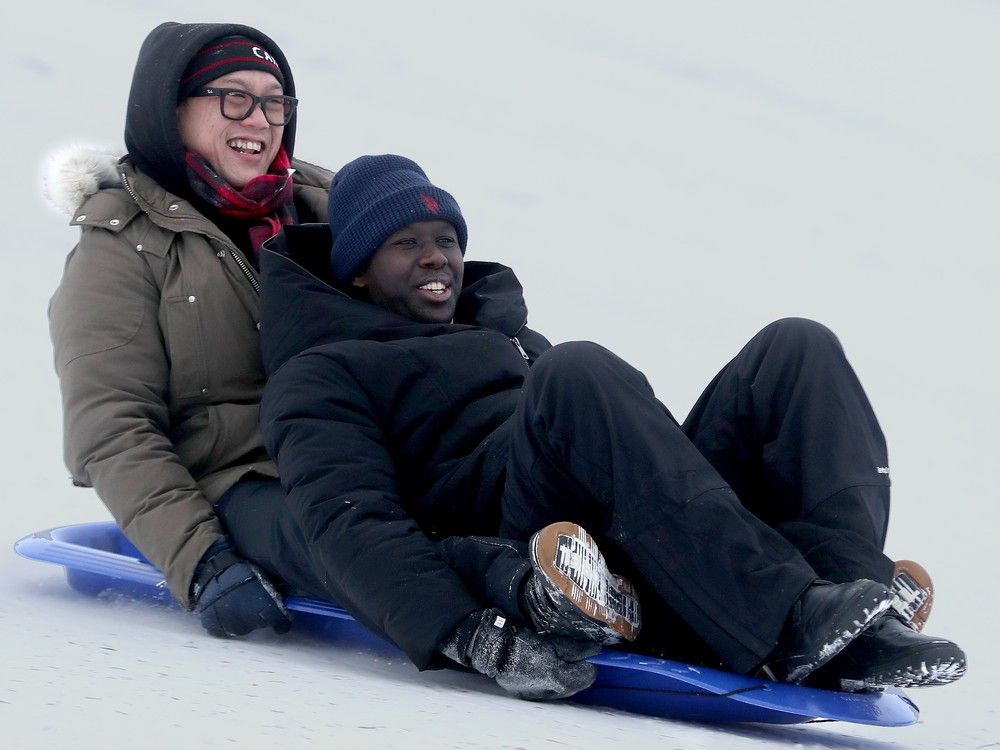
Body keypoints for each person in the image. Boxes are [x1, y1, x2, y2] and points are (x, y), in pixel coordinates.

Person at [249, 154, 966, 700]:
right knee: (577, 371)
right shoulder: (320, 374)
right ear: (357, 275)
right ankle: (789, 620)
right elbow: (349, 525)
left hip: (627, 519)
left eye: (446, 237)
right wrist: (464, 632)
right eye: (407, 243)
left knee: (797, 348)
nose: (439, 257)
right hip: (532, 540)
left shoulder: (510, 337)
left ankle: (855, 610)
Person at [46, 22, 334, 638]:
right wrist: (204, 562)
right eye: (233, 96)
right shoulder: (120, 246)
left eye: (274, 101)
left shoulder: (326, 205)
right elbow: (111, 424)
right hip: (244, 490)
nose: (258, 119)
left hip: (363, 456)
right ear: (170, 110)